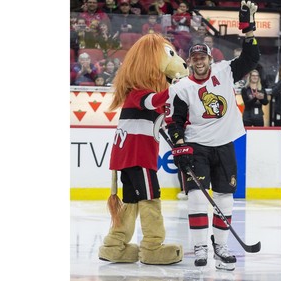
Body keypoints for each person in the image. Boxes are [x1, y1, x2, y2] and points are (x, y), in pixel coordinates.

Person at [165, 1, 259, 271]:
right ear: (190, 62)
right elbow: (176, 121)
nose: (199, 62)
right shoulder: (181, 87)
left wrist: (248, 29)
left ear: (210, 59)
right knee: (196, 197)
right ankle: (200, 247)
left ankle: (221, 247)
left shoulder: (225, 71)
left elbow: (251, 59)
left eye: (203, 58)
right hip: (197, 146)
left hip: (225, 144)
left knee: (225, 197)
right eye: (194, 59)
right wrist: (179, 144)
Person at [98, 33, 189, 265]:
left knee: (131, 202)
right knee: (150, 199)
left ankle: (114, 246)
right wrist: (178, 87)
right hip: (138, 157)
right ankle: (152, 247)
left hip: (127, 158)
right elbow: (153, 101)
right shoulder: (139, 92)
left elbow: (159, 113)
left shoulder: (136, 92)